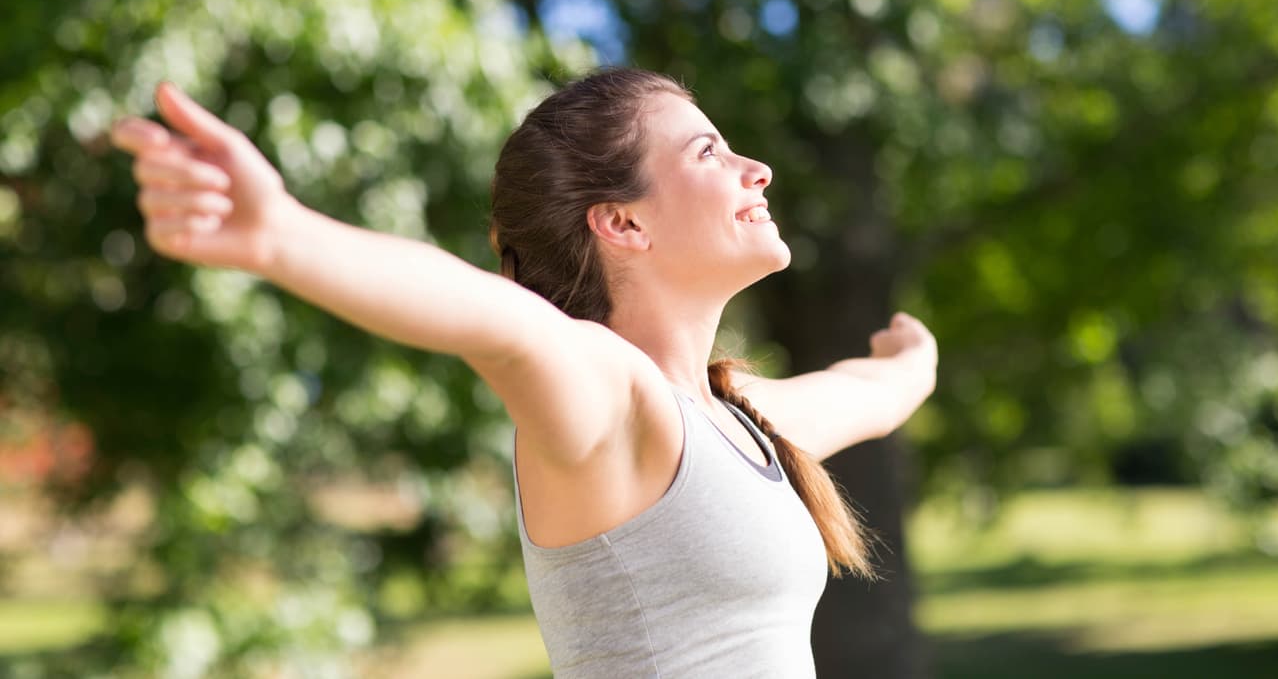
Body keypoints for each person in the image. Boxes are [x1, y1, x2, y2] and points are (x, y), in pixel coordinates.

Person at [111, 67, 937, 678]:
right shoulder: (613, 400)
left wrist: (913, 356)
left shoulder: (733, 413)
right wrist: (283, 234)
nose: (755, 168)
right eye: (709, 151)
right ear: (622, 221)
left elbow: (873, 391)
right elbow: (488, 317)